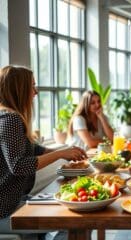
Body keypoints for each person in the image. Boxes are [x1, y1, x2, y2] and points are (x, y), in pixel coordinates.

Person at [0, 66, 86, 235]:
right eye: (32, 86)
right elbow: (18, 166)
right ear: (20, 89)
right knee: (72, 223)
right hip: (5, 212)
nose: (36, 91)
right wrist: (61, 154)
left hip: (14, 202)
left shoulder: (8, 116)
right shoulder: (10, 119)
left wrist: (65, 151)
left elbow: (32, 148)